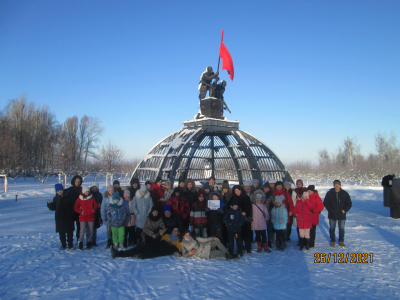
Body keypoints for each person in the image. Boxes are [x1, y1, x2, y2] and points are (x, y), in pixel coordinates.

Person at [111, 226, 182, 259]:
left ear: (178, 233)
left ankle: (140, 255)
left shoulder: (178, 241)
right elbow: (158, 240)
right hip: (156, 246)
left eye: (176, 231)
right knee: (139, 248)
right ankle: (117, 253)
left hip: (161, 251)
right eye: (174, 230)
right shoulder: (166, 235)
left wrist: (176, 253)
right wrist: (160, 234)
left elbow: (180, 251)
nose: (174, 232)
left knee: (146, 253)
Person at [324, 180, 352, 247]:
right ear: (333, 185)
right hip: (332, 214)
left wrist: (345, 210)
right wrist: (330, 210)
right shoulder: (330, 193)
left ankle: (341, 241)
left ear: (340, 185)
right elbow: (326, 202)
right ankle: (333, 241)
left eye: (338, 184)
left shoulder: (344, 193)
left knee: (341, 229)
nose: (336, 185)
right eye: (335, 184)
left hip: (341, 214)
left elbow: (349, 204)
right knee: (332, 229)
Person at [47, 183, 75, 250]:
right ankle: (63, 245)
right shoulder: (56, 198)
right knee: (61, 233)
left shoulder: (68, 196)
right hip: (60, 218)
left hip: (69, 217)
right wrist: (49, 204)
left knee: (69, 232)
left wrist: (73, 214)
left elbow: (72, 206)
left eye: (61, 190)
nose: (60, 191)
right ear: (56, 191)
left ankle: (70, 245)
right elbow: (54, 207)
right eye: (58, 190)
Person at [74, 185, 98, 250]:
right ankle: (80, 242)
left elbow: (95, 205)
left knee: (90, 230)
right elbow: (76, 207)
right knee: (82, 230)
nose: (87, 193)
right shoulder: (80, 199)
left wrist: (93, 210)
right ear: (83, 192)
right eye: (86, 192)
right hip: (83, 217)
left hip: (91, 216)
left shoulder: (91, 197)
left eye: (88, 191)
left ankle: (88, 242)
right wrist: (81, 211)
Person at [231, 185, 253, 254]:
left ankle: (248, 247)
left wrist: (246, 212)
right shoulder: (233, 198)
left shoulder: (246, 197)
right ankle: (240, 247)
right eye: (236, 191)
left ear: (241, 190)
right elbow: (229, 207)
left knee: (246, 233)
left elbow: (249, 207)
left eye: (238, 190)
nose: (237, 192)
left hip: (245, 218)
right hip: (236, 219)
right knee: (238, 234)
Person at [273, 181, 293, 248]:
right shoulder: (274, 193)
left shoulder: (285, 193)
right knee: (277, 227)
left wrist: (290, 210)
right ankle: (278, 241)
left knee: (284, 226)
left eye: (280, 185)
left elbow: (290, 202)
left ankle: (284, 240)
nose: (279, 187)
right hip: (276, 211)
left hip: (285, 212)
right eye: (278, 185)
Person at [64, 175, 83, 241]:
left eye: (79, 182)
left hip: (80, 212)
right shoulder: (69, 190)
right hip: (71, 212)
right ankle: (70, 241)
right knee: (70, 228)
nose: (77, 183)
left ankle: (79, 240)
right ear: (73, 182)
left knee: (80, 228)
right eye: (76, 181)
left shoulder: (82, 190)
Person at [90, 182, 103, 247]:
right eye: (93, 187)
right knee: (89, 228)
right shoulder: (89, 194)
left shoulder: (99, 195)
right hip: (89, 212)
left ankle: (94, 241)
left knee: (94, 228)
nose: (94, 188)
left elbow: (101, 203)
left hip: (96, 212)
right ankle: (89, 240)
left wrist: (100, 206)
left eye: (96, 187)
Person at [294, 179, 306, 245]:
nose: (299, 185)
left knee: (305, 226)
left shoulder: (305, 191)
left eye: (300, 184)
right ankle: (300, 239)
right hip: (298, 210)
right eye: (298, 184)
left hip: (304, 211)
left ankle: (305, 239)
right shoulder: (295, 191)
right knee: (299, 226)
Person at [263, 182, 275, 248]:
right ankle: (263, 241)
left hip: (269, 214)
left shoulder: (271, 196)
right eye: (265, 188)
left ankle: (269, 241)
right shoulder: (261, 195)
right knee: (262, 229)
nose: (266, 189)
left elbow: (274, 205)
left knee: (269, 228)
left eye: (268, 188)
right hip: (261, 214)